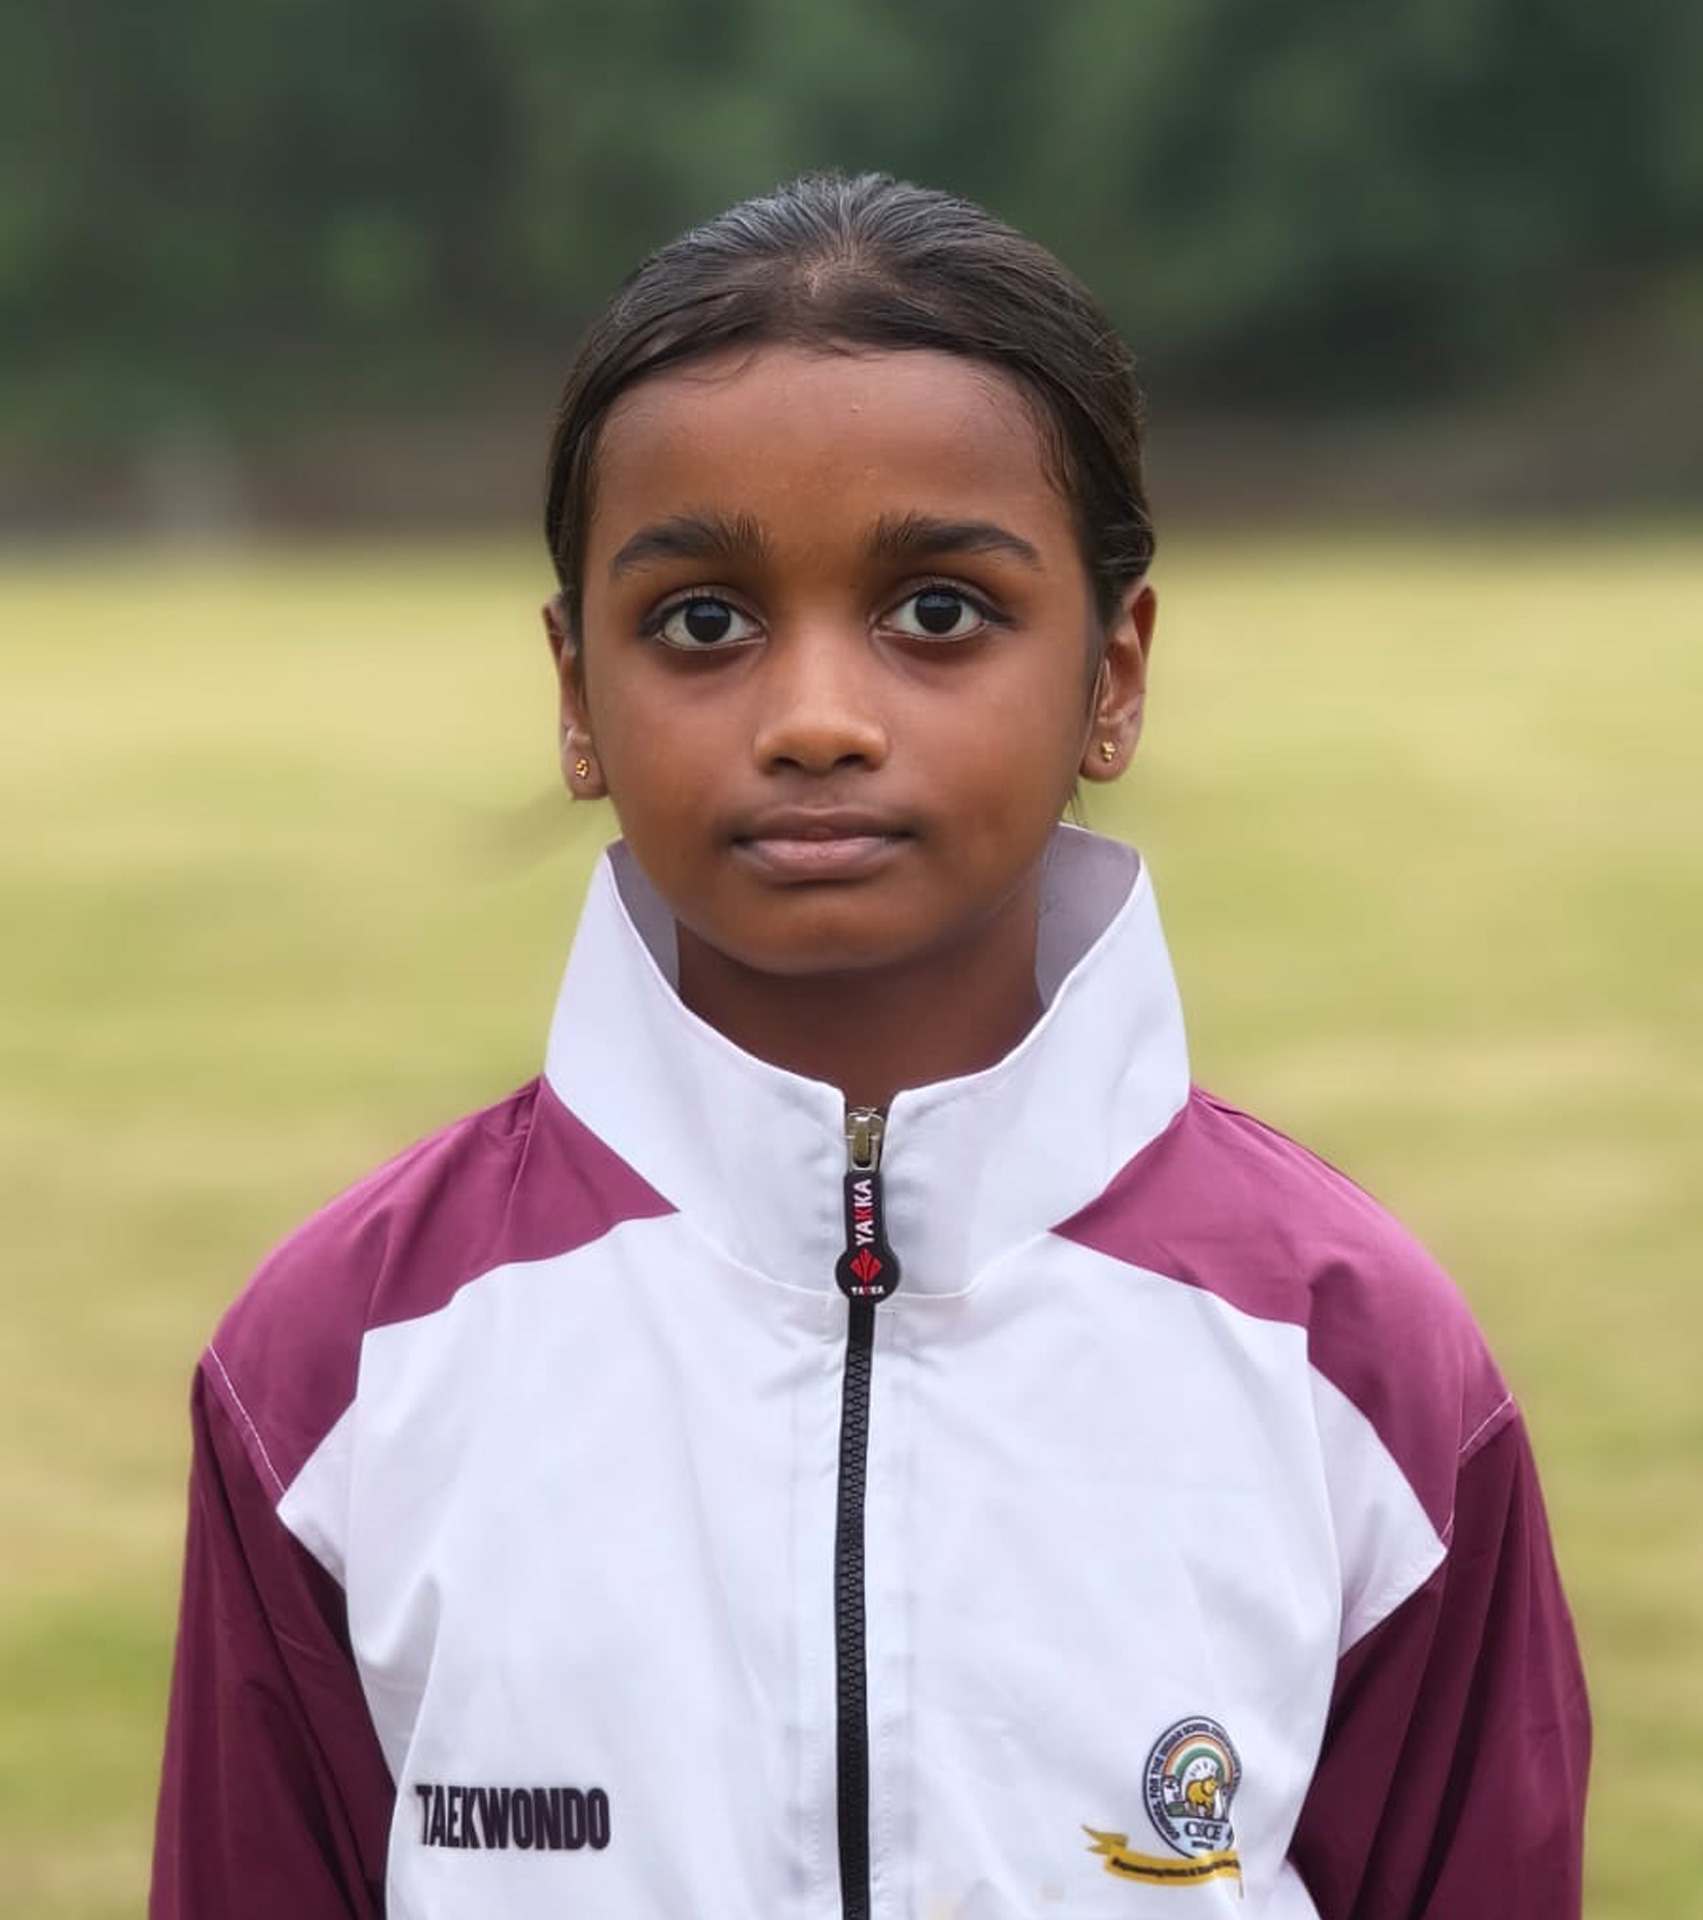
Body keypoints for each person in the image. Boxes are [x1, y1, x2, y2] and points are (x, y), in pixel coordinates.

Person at [151, 172, 1589, 1918]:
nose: (818, 720)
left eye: (938, 613)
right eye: (704, 621)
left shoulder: (1353, 1367)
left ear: (1115, 673)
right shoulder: (344, 1371)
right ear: (575, 690)